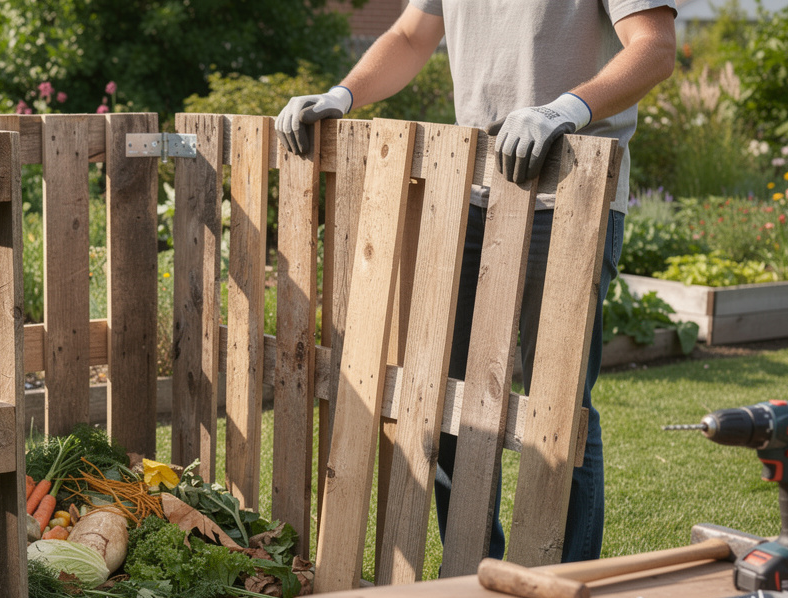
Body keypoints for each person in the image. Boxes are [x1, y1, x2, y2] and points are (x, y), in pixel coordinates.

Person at [277, 1, 677, 564]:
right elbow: (411, 37)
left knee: (559, 405)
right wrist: (343, 94)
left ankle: (564, 582)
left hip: (571, 192)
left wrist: (565, 109)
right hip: (472, 190)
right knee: (449, 397)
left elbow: (654, 48)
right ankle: (471, 570)